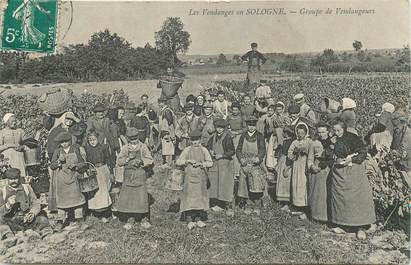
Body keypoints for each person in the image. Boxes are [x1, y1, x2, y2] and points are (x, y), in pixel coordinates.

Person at [330, 119, 376, 240]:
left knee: (357, 198)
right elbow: (329, 152)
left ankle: (360, 227)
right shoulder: (333, 139)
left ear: (344, 129)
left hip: (354, 170)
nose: (336, 132)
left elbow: (362, 152)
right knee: (341, 198)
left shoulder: (353, 138)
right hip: (340, 172)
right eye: (334, 130)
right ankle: (342, 224)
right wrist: (336, 158)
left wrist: (351, 159)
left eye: (338, 130)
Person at [0, 168, 53, 243]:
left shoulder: (27, 188)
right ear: (7, 179)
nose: (14, 181)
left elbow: (35, 203)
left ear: (19, 178)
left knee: (42, 218)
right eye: (11, 179)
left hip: (27, 219)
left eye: (15, 178)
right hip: (12, 221)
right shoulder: (3, 191)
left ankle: (47, 235)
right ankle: (10, 238)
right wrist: (7, 205)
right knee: (1, 224)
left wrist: (32, 213)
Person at [116, 128, 154, 230]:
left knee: (141, 197)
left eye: (135, 138)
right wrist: (127, 159)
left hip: (140, 175)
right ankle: (130, 218)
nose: (134, 141)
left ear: (138, 137)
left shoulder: (143, 147)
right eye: (131, 139)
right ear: (128, 139)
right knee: (130, 198)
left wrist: (142, 161)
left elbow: (150, 159)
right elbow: (119, 161)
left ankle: (144, 219)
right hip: (128, 176)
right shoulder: (125, 148)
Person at [176, 130, 213, 230]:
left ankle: (198, 219)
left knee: (199, 198)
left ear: (200, 140)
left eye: (197, 140)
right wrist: (187, 161)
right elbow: (178, 161)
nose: (195, 142)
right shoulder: (187, 150)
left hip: (200, 178)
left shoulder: (204, 150)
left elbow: (210, 162)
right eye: (193, 140)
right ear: (190, 140)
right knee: (189, 198)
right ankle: (189, 219)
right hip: (189, 177)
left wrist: (202, 164)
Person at [49, 132, 86, 231]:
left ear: (70, 141)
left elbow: (83, 163)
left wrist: (76, 166)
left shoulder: (75, 149)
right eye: (62, 142)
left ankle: (80, 220)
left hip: (73, 177)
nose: (64, 144)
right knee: (62, 202)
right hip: (62, 180)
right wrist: (58, 162)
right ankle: (60, 222)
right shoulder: (58, 151)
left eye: (66, 141)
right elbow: (52, 166)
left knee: (77, 200)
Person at [236, 116, 266, 215]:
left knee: (255, 182)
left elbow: (262, 149)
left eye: (253, 125)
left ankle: (257, 204)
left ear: (255, 125)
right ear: (247, 125)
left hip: (255, 163)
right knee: (244, 182)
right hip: (245, 162)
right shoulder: (243, 136)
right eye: (250, 125)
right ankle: (248, 203)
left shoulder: (260, 136)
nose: (251, 127)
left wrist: (259, 158)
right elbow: (238, 150)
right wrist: (241, 159)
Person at [207, 118, 236, 216]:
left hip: (225, 164)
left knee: (225, 184)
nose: (219, 130)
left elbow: (232, 151)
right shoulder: (213, 137)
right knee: (215, 184)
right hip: (215, 164)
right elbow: (208, 146)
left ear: (224, 128)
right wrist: (210, 151)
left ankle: (228, 206)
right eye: (217, 128)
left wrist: (222, 155)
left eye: (221, 128)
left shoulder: (227, 137)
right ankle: (218, 204)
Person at [307, 122, 333, 222]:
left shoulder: (332, 143)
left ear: (328, 132)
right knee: (316, 192)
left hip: (328, 170)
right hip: (316, 169)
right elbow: (309, 158)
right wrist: (312, 166)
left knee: (327, 193)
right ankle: (316, 216)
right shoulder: (314, 143)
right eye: (319, 132)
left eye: (323, 132)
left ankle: (327, 217)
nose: (321, 134)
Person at [84, 130, 113, 223]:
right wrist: (89, 169)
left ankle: (106, 211)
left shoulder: (103, 147)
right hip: (94, 171)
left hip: (103, 170)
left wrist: (111, 171)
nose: (92, 142)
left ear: (98, 139)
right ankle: (99, 213)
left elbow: (108, 159)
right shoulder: (87, 149)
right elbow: (87, 161)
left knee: (104, 190)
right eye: (90, 140)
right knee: (97, 192)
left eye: (94, 140)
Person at [287, 122, 311, 220]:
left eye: (302, 133)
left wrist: (306, 152)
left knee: (304, 184)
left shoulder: (309, 141)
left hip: (305, 165)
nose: (300, 135)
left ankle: (305, 206)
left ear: (306, 132)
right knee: (296, 184)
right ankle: (297, 205)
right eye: (299, 133)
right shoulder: (295, 142)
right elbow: (289, 154)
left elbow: (312, 151)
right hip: (297, 166)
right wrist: (294, 154)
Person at [86, 103, 120, 170]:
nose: (100, 114)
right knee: (99, 158)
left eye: (101, 112)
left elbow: (114, 131)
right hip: (97, 142)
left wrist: (115, 144)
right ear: (95, 113)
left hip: (108, 142)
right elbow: (89, 131)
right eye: (98, 112)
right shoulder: (91, 120)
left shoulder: (107, 119)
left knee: (110, 158)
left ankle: (111, 172)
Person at [227, 102, 246, 180]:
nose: (235, 111)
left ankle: (237, 172)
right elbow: (224, 126)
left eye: (236, 110)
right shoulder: (229, 117)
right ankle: (231, 172)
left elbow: (245, 128)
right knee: (231, 153)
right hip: (230, 135)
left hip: (239, 136)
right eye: (233, 110)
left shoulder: (242, 117)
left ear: (239, 110)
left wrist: (238, 132)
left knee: (237, 153)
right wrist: (230, 132)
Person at [157, 96, 176, 168]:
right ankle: (167, 163)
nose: (159, 104)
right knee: (166, 149)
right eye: (159, 102)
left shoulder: (167, 111)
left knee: (169, 149)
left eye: (160, 102)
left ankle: (169, 164)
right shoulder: (163, 111)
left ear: (164, 103)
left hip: (168, 133)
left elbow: (170, 124)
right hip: (164, 133)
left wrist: (172, 136)